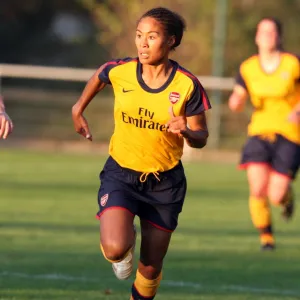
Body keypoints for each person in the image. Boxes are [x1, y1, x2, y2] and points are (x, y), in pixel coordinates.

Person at [72, 7, 211, 300]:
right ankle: (123, 248)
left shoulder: (187, 85)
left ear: (171, 41)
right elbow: (100, 75)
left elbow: (201, 138)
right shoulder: (122, 71)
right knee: (114, 247)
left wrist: (187, 131)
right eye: (138, 36)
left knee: (150, 266)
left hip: (165, 183)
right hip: (121, 173)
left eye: (152, 36)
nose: (142, 44)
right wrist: (78, 108)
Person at [228, 17, 300, 251]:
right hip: (259, 131)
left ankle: (287, 200)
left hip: (289, 133)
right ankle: (266, 238)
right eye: (263, 31)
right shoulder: (248, 67)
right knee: (257, 187)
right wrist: (236, 101)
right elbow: (238, 95)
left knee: (276, 195)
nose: (267, 35)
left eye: (272, 31)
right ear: (257, 37)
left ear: (279, 36)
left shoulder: (292, 63)